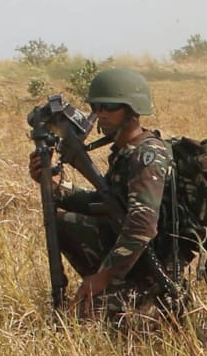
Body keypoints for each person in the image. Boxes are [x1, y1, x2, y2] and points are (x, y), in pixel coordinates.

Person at [28, 68, 181, 324]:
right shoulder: (125, 152)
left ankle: (144, 303)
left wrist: (103, 277)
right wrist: (54, 186)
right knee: (64, 221)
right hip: (131, 260)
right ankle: (116, 292)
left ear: (132, 109)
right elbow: (103, 204)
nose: (101, 114)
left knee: (82, 319)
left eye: (110, 107)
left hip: (151, 272)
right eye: (96, 107)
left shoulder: (147, 155)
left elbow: (142, 225)